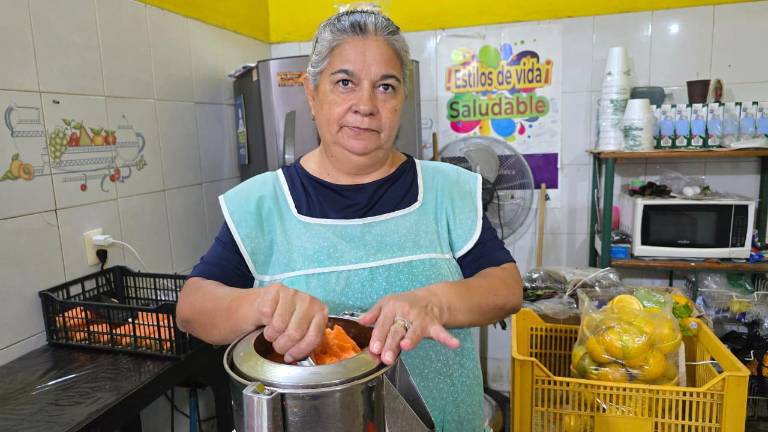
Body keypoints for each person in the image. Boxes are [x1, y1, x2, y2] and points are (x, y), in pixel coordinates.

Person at [176, 9, 522, 431]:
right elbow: (192, 306)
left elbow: (506, 286)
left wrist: (436, 302)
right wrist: (260, 304)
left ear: (402, 98)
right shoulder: (263, 204)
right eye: (344, 83)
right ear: (311, 92)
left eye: (386, 87)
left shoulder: (446, 191)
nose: (365, 106)